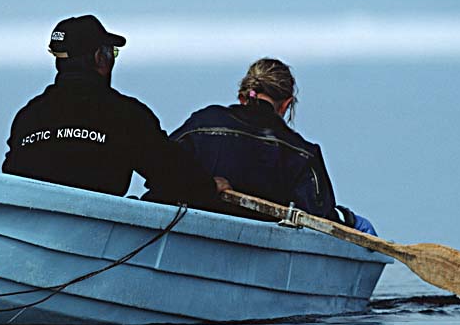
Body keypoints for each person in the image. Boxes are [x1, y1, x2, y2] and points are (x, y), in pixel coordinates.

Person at [2, 14, 229, 205]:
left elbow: (10, 179)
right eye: (112, 53)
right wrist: (209, 187)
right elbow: (172, 174)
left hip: (29, 223)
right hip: (96, 234)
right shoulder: (125, 115)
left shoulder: (28, 117)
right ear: (100, 59)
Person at [149, 57, 376, 234]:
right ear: (286, 105)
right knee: (357, 225)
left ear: (242, 97)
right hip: (262, 248)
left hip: (188, 232)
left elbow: (160, 172)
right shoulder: (303, 153)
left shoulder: (200, 124)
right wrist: (350, 220)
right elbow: (322, 219)